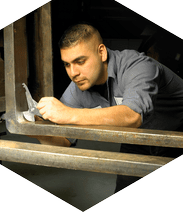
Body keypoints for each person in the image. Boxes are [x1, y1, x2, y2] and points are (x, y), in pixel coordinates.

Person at [37, 23, 183, 192]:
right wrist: (31, 124)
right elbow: (63, 141)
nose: (73, 73)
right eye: (67, 64)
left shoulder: (138, 65)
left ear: (102, 52)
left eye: (80, 61)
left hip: (178, 133)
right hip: (138, 138)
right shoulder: (79, 85)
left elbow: (132, 115)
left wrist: (68, 114)